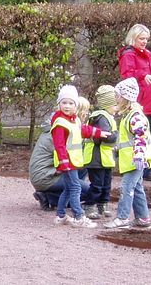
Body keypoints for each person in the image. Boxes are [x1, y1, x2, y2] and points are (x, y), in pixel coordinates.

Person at [51, 85, 109, 228]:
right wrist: (64, 161)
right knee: (76, 187)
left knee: (68, 188)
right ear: (59, 104)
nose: (67, 106)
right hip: (67, 161)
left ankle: (61, 215)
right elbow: (59, 145)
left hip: (72, 160)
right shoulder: (60, 122)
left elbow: (82, 130)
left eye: (71, 103)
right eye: (64, 102)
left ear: (75, 105)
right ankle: (78, 216)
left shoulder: (73, 120)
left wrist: (97, 132)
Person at [105, 77, 151, 229]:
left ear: (125, 98)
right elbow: (129, 138)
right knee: (137, 187)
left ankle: (122, 217)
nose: (116, 98)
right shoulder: (130, 115)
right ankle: (143, 218)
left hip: (136, 160)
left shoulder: (135, 116)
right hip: (132, 160)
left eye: (118, 95)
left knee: (127, 188)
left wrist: (139, 155)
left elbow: (141, 137)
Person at [118, 24, 151, 182]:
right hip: (139, 102)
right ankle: (140, 169)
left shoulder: (148, 54)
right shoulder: (129, 54)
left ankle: (146, 167)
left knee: (148, 135)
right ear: (134, 38)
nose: (144, 41)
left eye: (146, 39)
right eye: (141, 38)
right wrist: (142, 75)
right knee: (140, 135)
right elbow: (127, 76)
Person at [29, 120, 91, 210]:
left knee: (83, 167)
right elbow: (69, 157)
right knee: (90, 192)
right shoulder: (55, 135)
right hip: (46, 177)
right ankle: (50, 198)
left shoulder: (49, 132)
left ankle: (51, 195)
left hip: (46, 174)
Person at [81, 85, 119, 219]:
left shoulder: (107, 116)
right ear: (108, 104)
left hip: (105, 157)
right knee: (97, 184)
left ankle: (103, 204)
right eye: (115, 105)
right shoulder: (101, 117)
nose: (117, 108)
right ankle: (89, 205)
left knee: (106, 184)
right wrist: (115, 135)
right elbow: (104, 136)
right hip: (96, 158)